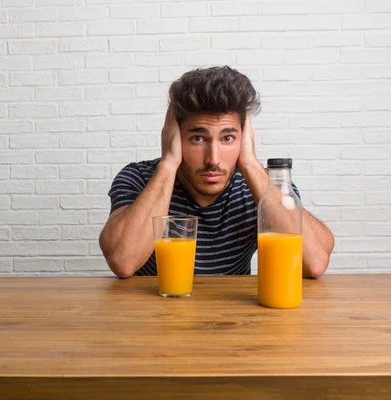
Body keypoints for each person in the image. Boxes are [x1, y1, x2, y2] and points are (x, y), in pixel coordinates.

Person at [99, 66, 334, 279]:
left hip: (236, 317)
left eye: (228, 138)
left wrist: (250, 164)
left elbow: (313, 264)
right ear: (175, 135)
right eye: (198, 138)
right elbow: (123, 261)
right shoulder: (139, 178)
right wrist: (169, 164)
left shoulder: (268, 187)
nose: (213, 159)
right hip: (154, 315)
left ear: (245, 138)